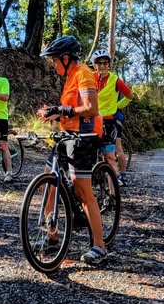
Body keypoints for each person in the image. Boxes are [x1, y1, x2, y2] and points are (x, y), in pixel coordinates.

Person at [37, 35, 109, 265]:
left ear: (66, 58)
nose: (53, 65)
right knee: (47, 182)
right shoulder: (69, 77)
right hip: (66, 136)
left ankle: (99, 246)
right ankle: (53, 235)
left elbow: (90, 108)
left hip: (84, 137)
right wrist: (55, 113)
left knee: (83, 192)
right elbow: (70, 109)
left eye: (55, 61)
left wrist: (64, 110)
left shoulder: (84, 73)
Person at [89, 48, 135, 186]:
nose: (102, 66)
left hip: (110, 121)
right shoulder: (90, 78)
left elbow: (130, 96)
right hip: (93, 120)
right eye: (99, 63)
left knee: (116, 152)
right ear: (94, 65)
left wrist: (117, 106)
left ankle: (123, 175)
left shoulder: (115, 80)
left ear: (109, 64)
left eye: (105, 63)